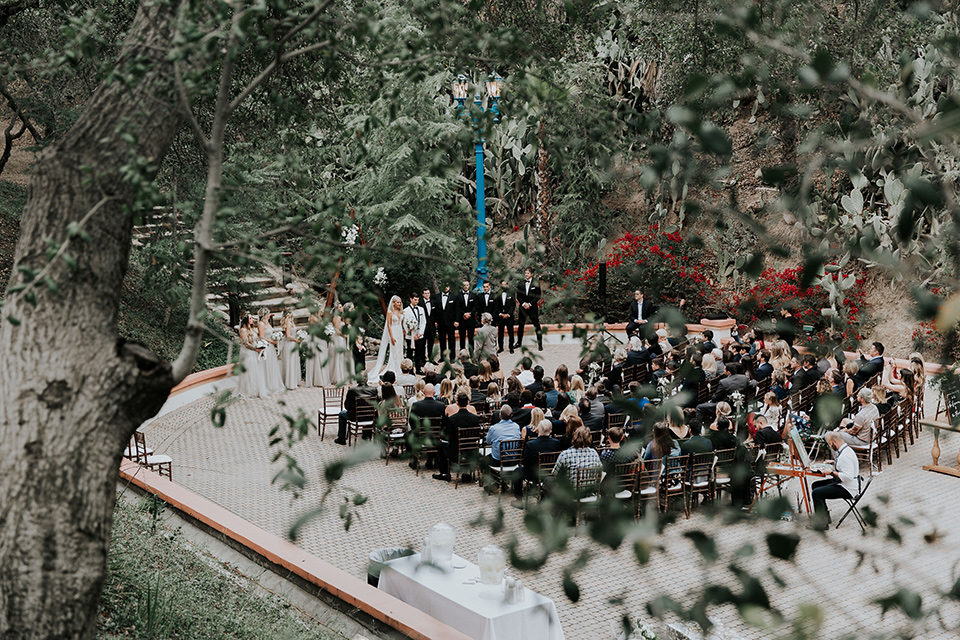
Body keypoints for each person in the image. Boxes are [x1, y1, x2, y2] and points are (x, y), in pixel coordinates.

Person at [809, 431, 860, 531]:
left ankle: (822, 524)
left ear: (835, 442)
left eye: (830, 444)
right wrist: (833, 462)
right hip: (843, 483)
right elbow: (844, 465)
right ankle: (824, 516)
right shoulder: (846, 450)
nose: (830, 446)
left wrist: (831, 472)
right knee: (815, 485)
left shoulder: (845, 456)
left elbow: (848, 476)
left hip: (847, 488)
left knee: (817, 493)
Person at [434, 392, 481, 482]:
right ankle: (466, 472)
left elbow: (448, 436)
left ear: (457, 403)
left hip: (456, 452)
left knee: (440, 445)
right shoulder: (475, 418)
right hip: (471, 451)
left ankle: (445, 473)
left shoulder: (452, 419)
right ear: (468, 403)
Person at [512, 419, 563, 501]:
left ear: (538, 430)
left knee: (517, 471)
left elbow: (525, 462)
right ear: (550, 431)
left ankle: (519, 500)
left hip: (534, 474)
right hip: (550, 473)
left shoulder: (531, 444)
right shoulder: (556, 443)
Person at [368, 295, 405, 384]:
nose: (399, 304)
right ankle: (393, 368)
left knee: (400, 350)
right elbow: (388, 325)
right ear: (393, 303)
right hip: (393, 331)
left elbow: (402, 323)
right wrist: (391, 336)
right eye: (397, 302)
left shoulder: (401, 311)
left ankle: (400, 367)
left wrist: (404, 330)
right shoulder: (390, 312)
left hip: (400, 332)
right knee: (394, 350)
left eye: (400, 302)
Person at [334, 380, 378, 444]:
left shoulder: (352, 391)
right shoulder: (374, 390)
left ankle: (341, 438)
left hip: (355, 417)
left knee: (341, 414)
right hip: (370, 417)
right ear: (367, 380)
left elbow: (347, 406)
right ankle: (366, 435)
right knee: (367, 412)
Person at [235, 314, 268, 398]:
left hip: (254, 352)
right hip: (247, 353)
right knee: (249, 370)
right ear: (246, 320)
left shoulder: (252, 329)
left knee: (255, 370)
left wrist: (262, 344)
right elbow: (246, 344)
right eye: (250, 318)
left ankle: (256, 389)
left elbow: (256, 339)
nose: (252, 319)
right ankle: (249, 391)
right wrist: (256, 349)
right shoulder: (243, 330)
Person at [515, 267, 543, 351]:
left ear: (531, 274)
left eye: (527, 273)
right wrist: (523, 303)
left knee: (536, 325)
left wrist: (530, 304)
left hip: (532, 307)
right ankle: (519, 343)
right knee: (521, 325)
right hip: (523, 307)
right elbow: (518, 296)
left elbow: (538, 296)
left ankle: (540, 344)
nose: (526, 274)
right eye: (525, 273)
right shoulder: (520, 283)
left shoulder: (536, 283)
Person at [258, 310, 285, 394]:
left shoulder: (267, 323)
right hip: (267, 347)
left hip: (271, 347)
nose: (270, 315)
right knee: (267, 365)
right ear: (264, 314)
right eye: (268, 313)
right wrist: (272, 341)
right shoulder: (261, 324)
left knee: (272, 365)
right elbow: (262, 337)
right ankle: (267, 385)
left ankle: (273, 384)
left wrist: (276, 338)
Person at [402, 292, 427, 374]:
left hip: (419, 336)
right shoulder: (406, 311)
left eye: (417, 300)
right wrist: (411, 333)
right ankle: (411, 369)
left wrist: (420, 333)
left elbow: (423, 322)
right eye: (415, 300)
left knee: (418, 353)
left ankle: (418, 369)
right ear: (411, 299)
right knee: (410, 353)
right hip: (410, 336)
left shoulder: (421, 309)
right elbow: (405, 324)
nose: (416, 302)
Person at [280, 310, 302, 389]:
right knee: (290, 362)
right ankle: (290, 383)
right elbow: (288, 336)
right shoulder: (288, 324)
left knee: (293, 362)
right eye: (291, 313)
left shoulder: (291, 322)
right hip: (289, 344)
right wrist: (297, 340)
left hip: (293, 344)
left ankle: (294, 381)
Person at [453, 279, 478, 352]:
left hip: (471, 319)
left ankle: (471, 352)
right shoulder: (458, 296)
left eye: (467, 285)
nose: (466, 287)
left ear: (469, 286)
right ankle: (462, 353)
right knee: (462, 337)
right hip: (462, 320)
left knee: (471, 337)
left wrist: (470, 313)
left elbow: (475, 306)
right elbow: (457, 308)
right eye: (464, 285)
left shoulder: (473, 295)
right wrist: (464, 314)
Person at [495, 279, 516, 354]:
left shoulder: (511, 293)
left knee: (511, 332)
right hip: (500, 316)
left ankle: (511, 347)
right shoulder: (497, 293)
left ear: (507, 285)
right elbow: (496, 305)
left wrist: (508, 314)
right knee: (500, 332)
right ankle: (501, 347)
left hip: (509, 316)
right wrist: (500, 314)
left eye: (505, 284)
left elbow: (513, 305)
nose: (504, 286)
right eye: (502, 284)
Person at [436, 284, 457, 361]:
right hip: (441, 322)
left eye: (447, 286)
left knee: (451, 340)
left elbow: (456, 309)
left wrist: (456, 320)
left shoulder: (454, 297)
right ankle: (443, 357)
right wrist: (436, 321)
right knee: (442, 341)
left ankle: (452, 357)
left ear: (449, 287)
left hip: (451, 322)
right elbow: (435, 310)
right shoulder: (437, 297)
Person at [420, 287, 438, 365]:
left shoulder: (434, 302)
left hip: (432, 327)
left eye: (428, 293)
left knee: (431, 343)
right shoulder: (420, 303)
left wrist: (436, 322)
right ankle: (423, 360)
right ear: (423, 294)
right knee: (422, 344)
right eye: (425, 293)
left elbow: (436, 314)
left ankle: (431, 359)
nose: (427, 295)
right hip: (423, 327)